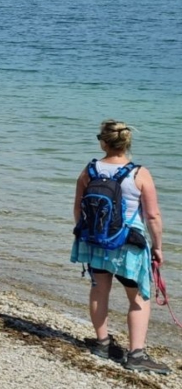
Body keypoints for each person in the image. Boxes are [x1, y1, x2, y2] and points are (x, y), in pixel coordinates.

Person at [72, 120, 168, 374]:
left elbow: (78, 209)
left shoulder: (90, 170)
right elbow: (153, 216)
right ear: (127, 143)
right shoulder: (139, 173)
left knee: (99, 290)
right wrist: (158, 247)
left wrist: (90, 237)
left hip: (97, 242)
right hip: (129, 244)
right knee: (137, 298)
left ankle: (103, 344)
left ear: (103, 142)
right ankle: (136, 354)